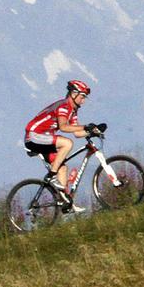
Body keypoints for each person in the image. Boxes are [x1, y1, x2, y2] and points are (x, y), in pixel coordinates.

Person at [24, 79, 92, 211]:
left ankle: (65, 204)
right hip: (34, 136)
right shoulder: (64, 106)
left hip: (45, 138)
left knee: (63, 168)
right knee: (67, 143)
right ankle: (51, 175)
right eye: (82, 97)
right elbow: (64, 127)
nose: (83, 101)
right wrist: (86, 126)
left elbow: (77, 133)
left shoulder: (73, 110)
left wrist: (92, 131)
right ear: (73, 93)